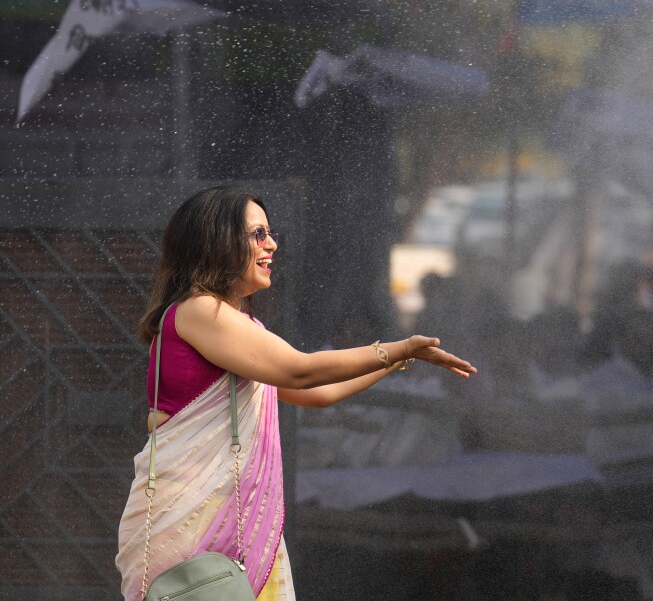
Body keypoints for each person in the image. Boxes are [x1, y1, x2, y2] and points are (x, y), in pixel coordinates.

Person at [115, 186, 476, 601]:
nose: (271, 244)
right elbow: (300, 370)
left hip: (232, 523)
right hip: (191, 522)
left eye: (270, 233)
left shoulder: (240, 326)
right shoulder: (199, 310)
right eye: (257, 234)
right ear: (217, 241)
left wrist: (399, 359)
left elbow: (316, 393)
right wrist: (398, 348)